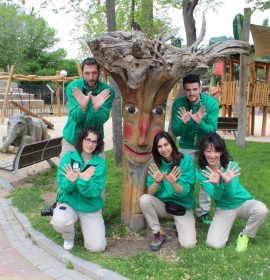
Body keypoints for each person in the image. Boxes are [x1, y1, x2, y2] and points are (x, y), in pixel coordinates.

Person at [196, 133, 268, 252]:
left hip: (242, 202)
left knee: (261, 210)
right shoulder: (201, 173)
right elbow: (217, 197)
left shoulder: (231, 167)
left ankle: (245, 235)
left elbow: (231, 195)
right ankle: (229, 221)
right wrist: (217, 184)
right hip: (224, 208)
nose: (212, 155)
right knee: (214, 244)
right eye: (208, 151)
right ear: (203, 152)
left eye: (216, 151)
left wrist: (228, 182)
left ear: (221, 152)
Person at [171, 74, 220, 225]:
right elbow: (176, 130)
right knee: (185, 178)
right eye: (188, 90)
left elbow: (212, 130)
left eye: (194, 89)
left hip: (206, 147)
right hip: (186, 146)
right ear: (183, 89)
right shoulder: (178, 104)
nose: (191, 93)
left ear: (200, 88)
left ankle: (203, 212)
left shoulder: (211, 103)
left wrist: (199, 122)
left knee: (207, 178)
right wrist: (185, 123)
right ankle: (184, 210)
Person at [51, 127, 107, 252]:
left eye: (94, 141)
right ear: (81, 140)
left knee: (97, 247)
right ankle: (69, 237)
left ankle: (89, 226)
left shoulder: (99, 164)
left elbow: (94, 191)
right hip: (69, 203)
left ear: (98, 144)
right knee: (59, 221)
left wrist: (82, 182)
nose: (90, 144)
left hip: (90, 206)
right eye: (88, 140)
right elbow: (62, 186)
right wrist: (70, 181)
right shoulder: (68, 158)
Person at [140, 131, 197, 251]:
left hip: (182, 207)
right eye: (159, 146)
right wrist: (156, 182)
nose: (163, 149)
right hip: (165, 206)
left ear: (172, 144)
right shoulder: (156, 165)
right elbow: (150, 193)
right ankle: (158, 233)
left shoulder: (185, 160)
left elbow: (185, 191)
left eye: (166, 145)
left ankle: (179, 225)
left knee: (188, 244)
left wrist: (174, 183)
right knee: (144, 199)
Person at [61, 57, 115, 157]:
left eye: (94, 73)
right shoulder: (73, 87)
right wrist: (82, 108)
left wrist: (96, 109)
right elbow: (75, 117)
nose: (91, 77)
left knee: (98, 172)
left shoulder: (107, 91)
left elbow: (102, 119)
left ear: (99, 72)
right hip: (72, 141)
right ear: (82, 73)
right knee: (66, 172)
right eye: (87, 73)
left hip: (94, 143)